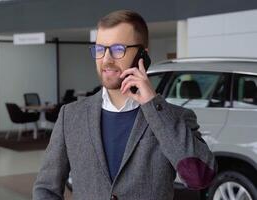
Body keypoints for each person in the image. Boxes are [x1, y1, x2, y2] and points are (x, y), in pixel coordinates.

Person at [33, 10, 216, 200]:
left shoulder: (174, 118)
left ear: (142, 55)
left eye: (117, 49)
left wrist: (152, 105)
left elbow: (199, 178)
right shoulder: (70, 116)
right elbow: (46, 188)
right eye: (100, 49)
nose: (106, 60)